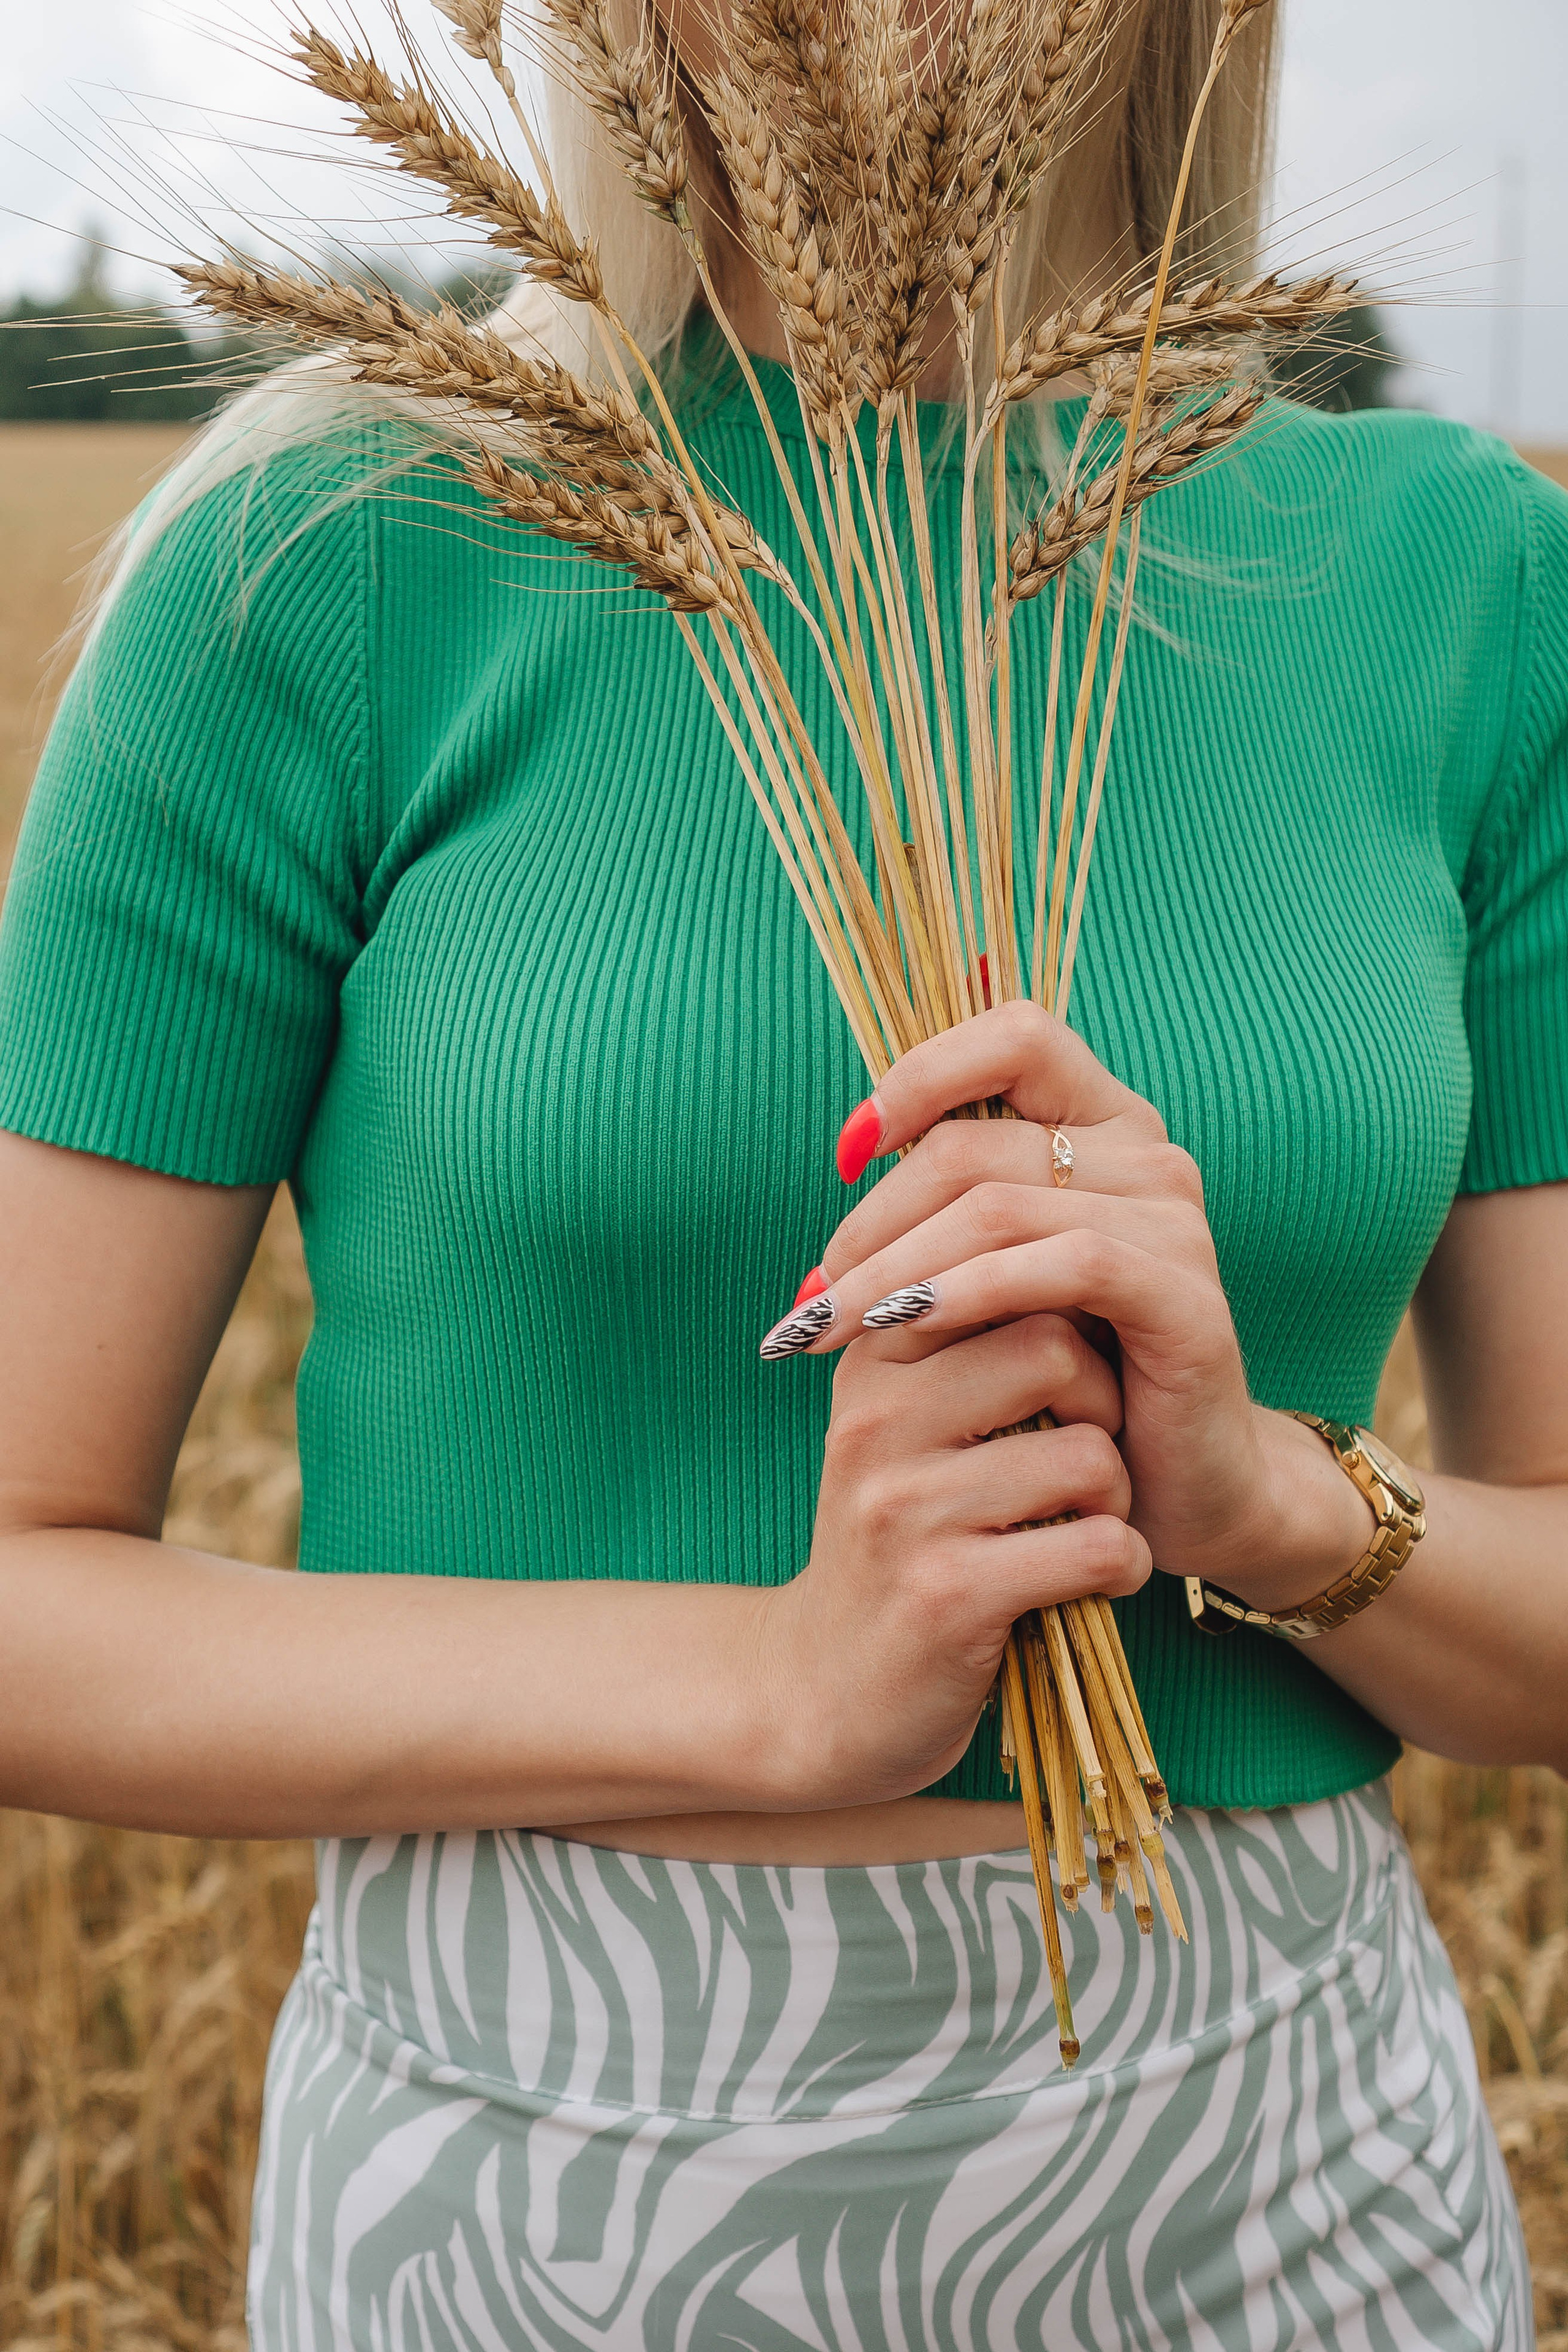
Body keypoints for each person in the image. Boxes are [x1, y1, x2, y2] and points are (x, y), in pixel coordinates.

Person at [0, 1, 1561, 2343]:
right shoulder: (317, 561)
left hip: (1280, 2174)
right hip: (536, 2188)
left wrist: (1269, 1501)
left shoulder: (1468, 581)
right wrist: (781, 1686)